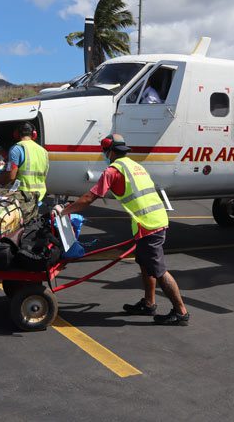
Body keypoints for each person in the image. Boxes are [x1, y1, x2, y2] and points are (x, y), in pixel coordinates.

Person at [60, 133, 189, 326]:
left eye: (105, 152)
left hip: (149, 224)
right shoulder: (135, 166)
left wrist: (64, 211)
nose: (104, 155)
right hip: (151, 220)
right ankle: (149, 303)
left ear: (110, 152)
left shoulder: (112, 171)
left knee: (159, 271)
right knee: (145, 265)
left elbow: (89, 198)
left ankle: (180, 312)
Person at [0, 121, 49, 202]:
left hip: (23, 195)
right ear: (34, 134)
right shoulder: (43, 151)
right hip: (39, 195)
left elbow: (11, 176)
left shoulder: (16, 149)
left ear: (16, 134)